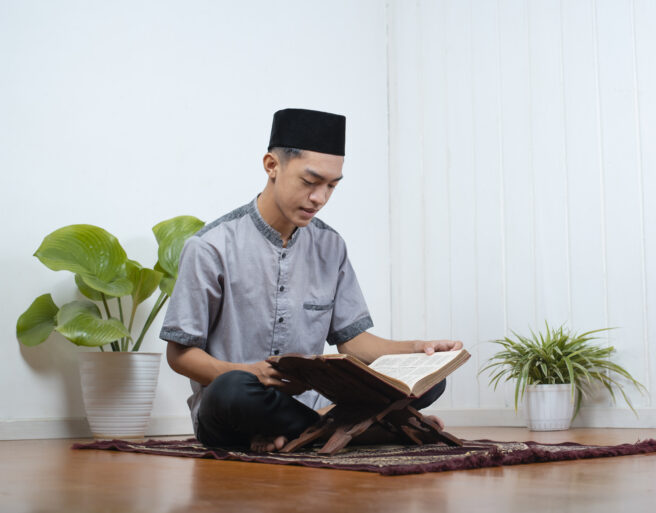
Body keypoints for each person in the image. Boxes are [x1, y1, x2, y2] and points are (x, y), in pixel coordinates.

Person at [160, 108, 463, 452]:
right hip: (240, 406)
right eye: (310, 182)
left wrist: (418, 350)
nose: (320, 198)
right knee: (230, 392)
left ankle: (306, 432)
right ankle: (366, 431)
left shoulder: (331, 246)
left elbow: (353, 343)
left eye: (331, 186)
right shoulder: (210, 247)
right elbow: (180, 355)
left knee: (430, 381)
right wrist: (248, 372)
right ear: (272, 166)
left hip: (317, 403)